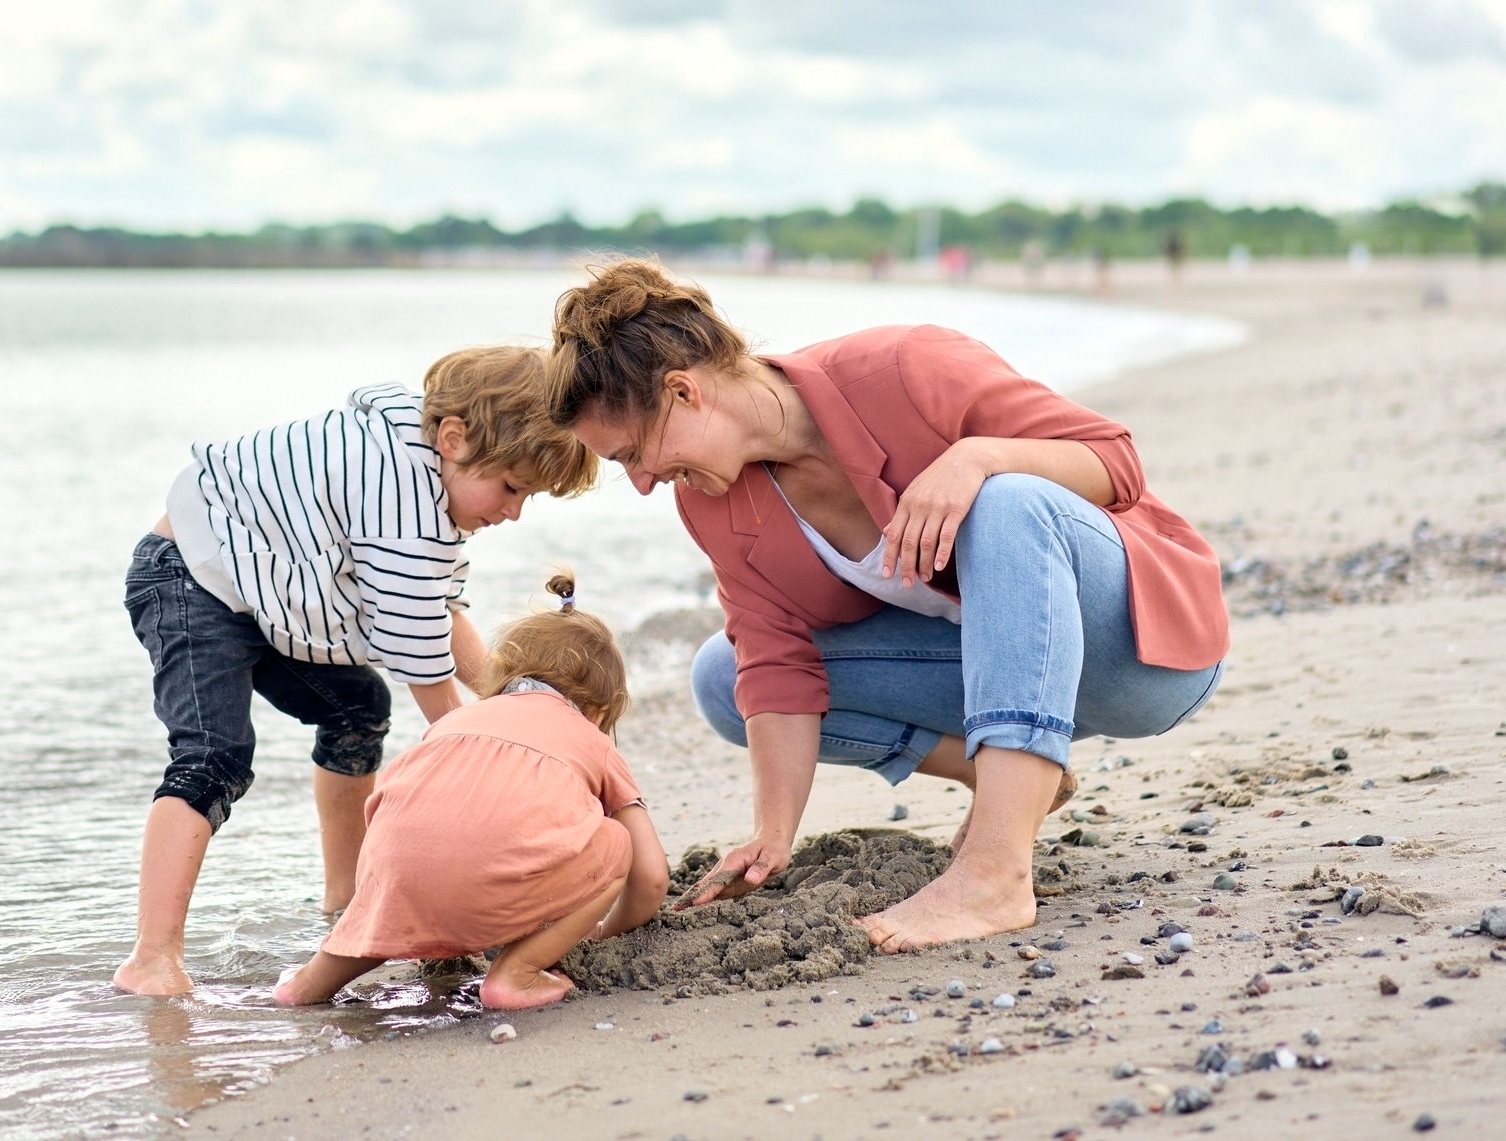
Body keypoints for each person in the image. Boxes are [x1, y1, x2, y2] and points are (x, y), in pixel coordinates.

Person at [544, 260, 1228, 952]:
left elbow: (1115, 461)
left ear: (684, 391)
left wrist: (977, 459)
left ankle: (995, 870)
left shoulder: (906, 367)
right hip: (992, 673)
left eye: (633, 453)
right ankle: (1012, 784)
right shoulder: (709, 499)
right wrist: (771, 837)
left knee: (1007, 500)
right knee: (722, 675)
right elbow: (774, 658)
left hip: (1135, 654)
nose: (640, 483)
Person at [113, 348, 599, 995]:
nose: (514, 511)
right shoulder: (398, 485)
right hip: (187, 577)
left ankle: (344, 902)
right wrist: (479, 745)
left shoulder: (427, 487)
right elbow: (416, 643)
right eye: (511, 487)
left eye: (527, 496)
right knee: (213, 756)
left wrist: (515, 701)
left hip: (263, 591)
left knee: (355, 707)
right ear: (453, 439)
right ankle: (151, 956)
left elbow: (440, 609)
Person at [274, 572, 669, 1011]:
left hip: (392, 881)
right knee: (615, 843)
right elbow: (651, 877)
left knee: (388, 902)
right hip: (485, 894)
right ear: (599, 709)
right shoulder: (588, 735)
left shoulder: (453, 722)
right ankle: (515, 975)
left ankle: (306, 985)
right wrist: (604, 932)